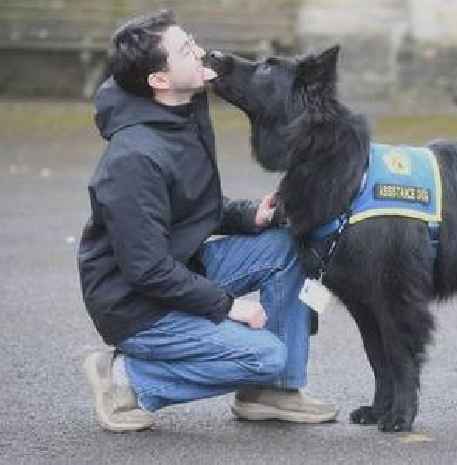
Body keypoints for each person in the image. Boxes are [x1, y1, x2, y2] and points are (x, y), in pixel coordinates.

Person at [77, 9, 337, 432]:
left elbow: (190, 206)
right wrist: (229, 306)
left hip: (180, 268)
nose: (200, 52)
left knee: (286, 245)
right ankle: (127, 381)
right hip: (137, 306)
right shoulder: (133, 159)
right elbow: (146, 268)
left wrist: (250, 215)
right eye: (185, 50)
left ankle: (273, 390)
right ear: (159, 81)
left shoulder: (182, 109)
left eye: (192, 40)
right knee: (264, 354)